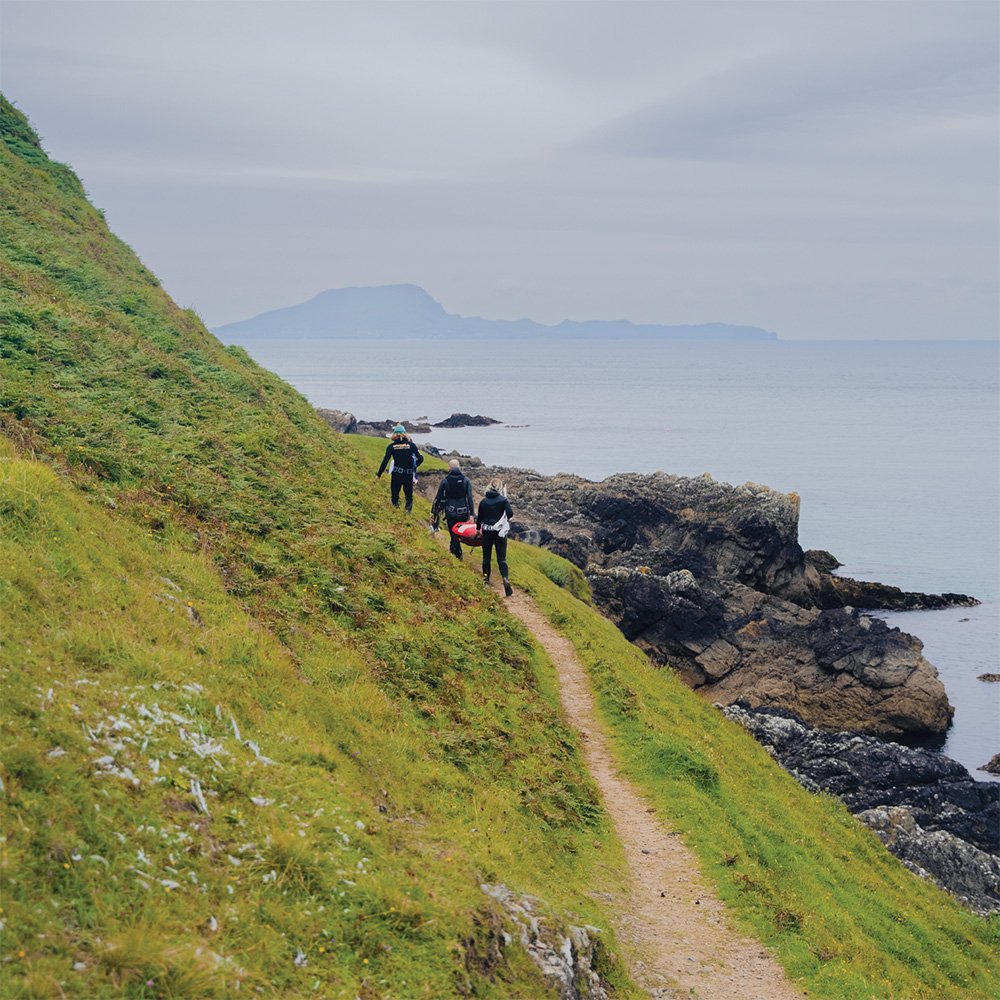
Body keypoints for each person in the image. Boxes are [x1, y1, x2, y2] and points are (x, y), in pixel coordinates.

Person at [476, 478, 514, 596]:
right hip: (500, 532)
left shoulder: (483, 502)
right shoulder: (503, 500)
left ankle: (486, 580)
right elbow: (510, 514)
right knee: (501, 558)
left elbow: (480, 518)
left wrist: (478, 530)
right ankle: (505, 579)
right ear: (500, 488)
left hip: (487, 531)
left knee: (486, 557)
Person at [376, 424, 424, 512]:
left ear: (394, 435)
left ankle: (396, 512)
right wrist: (413, 466)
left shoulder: (391, 447)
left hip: (397, 474)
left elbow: (385, 461)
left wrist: (379, 474)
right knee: (408, 498)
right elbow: (421, 459)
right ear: (405, 434)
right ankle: (407, 512)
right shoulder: (411, 445)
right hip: (408, 474)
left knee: (395, 496)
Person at [433, 459, 474, 559]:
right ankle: (454, 551)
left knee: (453, 533)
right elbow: (469, 498)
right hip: (463, 512)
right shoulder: (466, 480)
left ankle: (457, 553)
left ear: (449, 468)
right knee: (458, 533)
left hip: (450, 512)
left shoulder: (445, 480)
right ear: (459, 467)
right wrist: (472, 514)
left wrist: (433, 513)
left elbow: (438, 498)